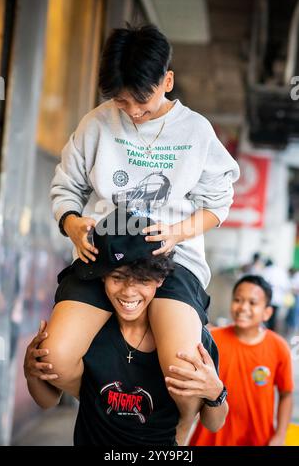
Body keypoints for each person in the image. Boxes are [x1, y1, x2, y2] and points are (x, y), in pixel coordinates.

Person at [45, 23, 239, 438]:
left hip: (172, 259)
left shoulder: (196, 131)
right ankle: (109, 414)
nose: (132, 111)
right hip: (103, 256)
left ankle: (179, 428)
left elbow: (218, 203)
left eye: (143, 100)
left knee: (182, 368)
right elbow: (66, 188)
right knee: (55, 358)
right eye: (121, 100)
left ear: (167, 81)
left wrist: (176, 232)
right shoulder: (97, 123)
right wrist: (73, 224)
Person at [24, 213, 228, 446]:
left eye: (142, 280)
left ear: (161, 279)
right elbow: (47, 401)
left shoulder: (192, 340)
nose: (129, 292)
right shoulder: (88, 334)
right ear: (101, 277)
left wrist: (216, 392)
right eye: (118, 278)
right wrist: (32, 372)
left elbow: (214, 423)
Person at [189, 275, 294, 446]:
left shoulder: (279, 347)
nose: (243, 307)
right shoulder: (211, 340)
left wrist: (280, 435)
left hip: (257, 440)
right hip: (209, 439)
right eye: (238, 300)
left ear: (267, 312)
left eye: (252, 303)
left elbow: (286, 394)